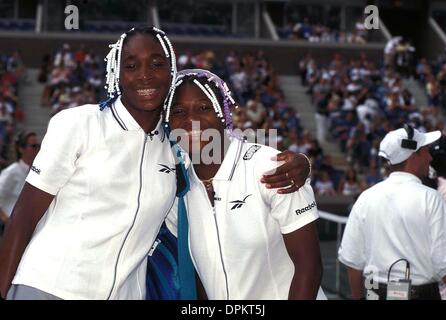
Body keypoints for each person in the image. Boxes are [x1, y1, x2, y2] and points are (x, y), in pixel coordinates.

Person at [0, 27, 310, 300]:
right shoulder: (78, 123)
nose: (145, 74)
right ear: (116, 74)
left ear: (171, 70)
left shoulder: (177, 146)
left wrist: (300, 162)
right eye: (132, 65)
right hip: (48, 288)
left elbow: (235, 151)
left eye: (157, 64)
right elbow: (23, 216)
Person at [158, 69, 324, 300]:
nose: (190, 120)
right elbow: (197, 274)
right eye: (178, 111)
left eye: (204, 108)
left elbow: (309, 266)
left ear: (224, 114)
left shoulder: (272, 167)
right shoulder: (177, 187)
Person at [338, 125, 446, 300]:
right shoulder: (431, 198)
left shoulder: (366, 197)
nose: (430, 157)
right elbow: (443, 263)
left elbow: (352, 261)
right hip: (421, 294)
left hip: (374, 293)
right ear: (413, 155)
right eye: (425, 151)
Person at [0, 131, 39, 226]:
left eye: (38, 145)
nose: (37, 149)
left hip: (31, 227)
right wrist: (7, 221)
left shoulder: (38, 172)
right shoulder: (11, 172)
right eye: (34, 146)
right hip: (12, 227)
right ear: (21, 149)